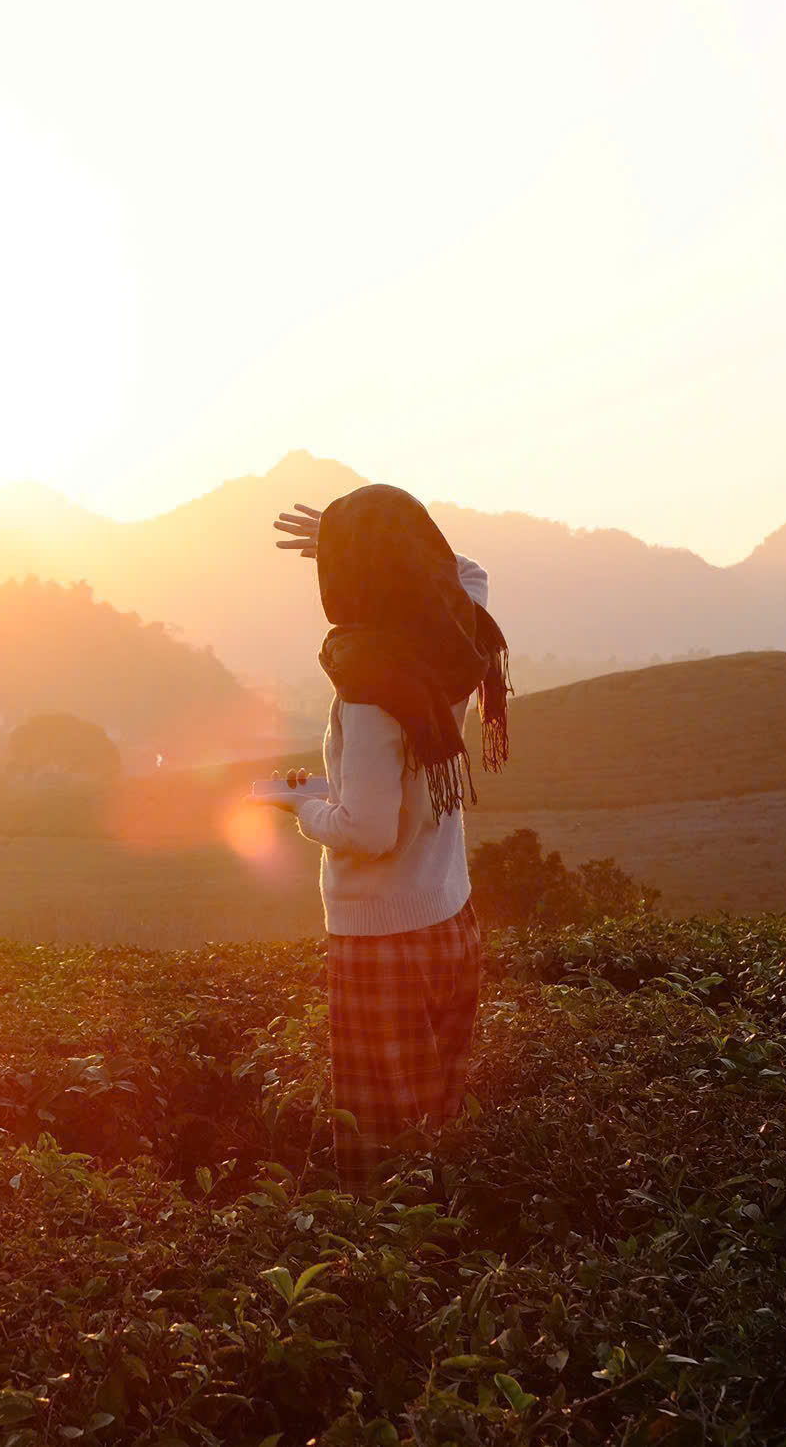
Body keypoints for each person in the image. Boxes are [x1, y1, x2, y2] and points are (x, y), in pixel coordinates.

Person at [250, 483, 510, 1191]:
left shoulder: (369, 690)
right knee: (439, 1125)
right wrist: (365, 535)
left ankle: (387, 1290)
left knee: (382, 1153)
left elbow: (366, 830)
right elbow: (466, 571)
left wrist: (302, 805)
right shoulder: (455, 640)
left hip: (383, 944)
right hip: (451, 921)